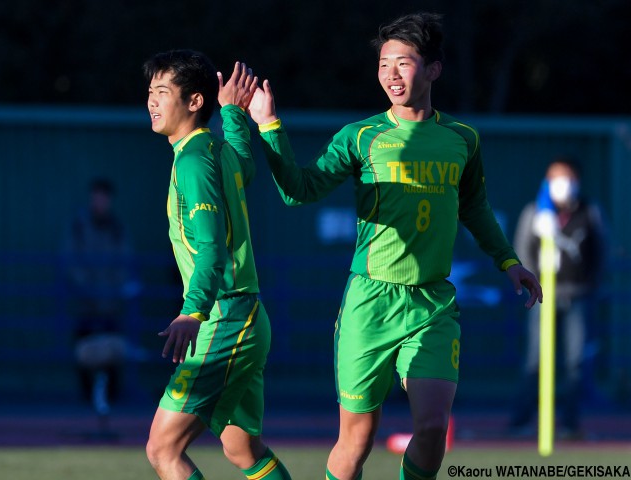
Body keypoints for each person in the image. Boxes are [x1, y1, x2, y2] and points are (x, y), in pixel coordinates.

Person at [247, 12, 543, 480]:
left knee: (431, 427)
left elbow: (476, 207)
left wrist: (509, 261)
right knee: (357, 439)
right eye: (384, 64)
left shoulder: (462, 139)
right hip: (371, 303)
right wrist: (268, 126)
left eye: (403, 63)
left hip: (432, 302)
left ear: (432, 70)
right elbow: (297, 190)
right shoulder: (360, 136)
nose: (390, 74)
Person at [142, 50, 291, 480]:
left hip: (225, 317)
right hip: (245, 316)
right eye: (150, 92)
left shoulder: (193, 158)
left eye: (163, 92)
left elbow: (212, 249)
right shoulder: (214, 149)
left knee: (162, 449)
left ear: (193, 101)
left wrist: (193, 311)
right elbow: (245, 165)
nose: (152, 101)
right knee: (244, 450)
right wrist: (231, 112)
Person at [508, 157, 607, 439]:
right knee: (535, 359)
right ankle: (521, 419)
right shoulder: (535, 212)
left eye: (567, 177)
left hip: (577, 296)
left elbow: (601, 249)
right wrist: (533, 282)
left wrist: (589, 284)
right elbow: (522, 250)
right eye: (555, 177)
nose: (562, 184)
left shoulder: (590, 211)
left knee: (576, 361)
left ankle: (571, 423)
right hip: (543, 297)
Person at [62, 177, 136, 420]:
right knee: (84, 352)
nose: (100, 201)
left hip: (111, 306)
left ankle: (112, 404)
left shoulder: (117, 227)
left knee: (113, 353)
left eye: (104, 197)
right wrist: (89, 290)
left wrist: (112, 291)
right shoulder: (80, 226)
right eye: (96, 196)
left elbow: (124, 262)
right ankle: (86, 403)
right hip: (86, 304)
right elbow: (72, 261)